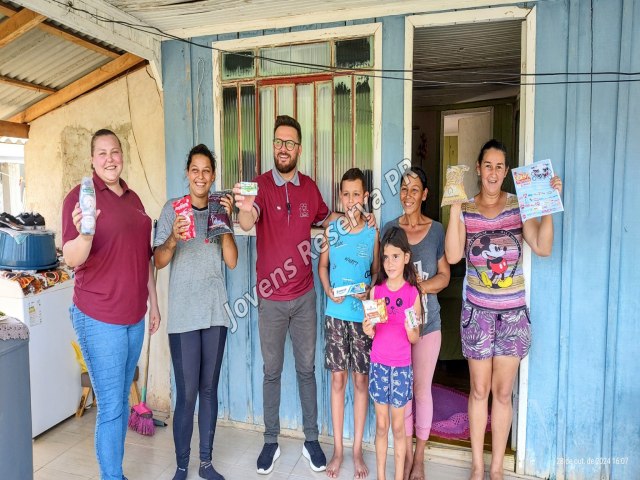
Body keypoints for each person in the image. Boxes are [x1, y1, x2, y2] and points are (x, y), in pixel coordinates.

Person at [444, 139, 562, 480]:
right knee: (479, 391)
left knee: (503, 393)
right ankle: (478, 467)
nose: (493, 172)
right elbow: (453, 256)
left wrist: (550, 205)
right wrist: (454, 207)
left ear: (505, 172)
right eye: (488, 165)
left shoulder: (519, 205)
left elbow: (541, 246)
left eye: (499, 166)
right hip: (478, 315)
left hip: (512, 316)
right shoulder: (466, 208)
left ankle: (497, 469)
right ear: (478, 169)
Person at [233, 115, 337, 474]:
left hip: (305, 296)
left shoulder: (309, 188)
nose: (283, 148)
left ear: (299, 149)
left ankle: (311, 440)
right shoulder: (260, 186)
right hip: (271, 301)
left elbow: (327, 218)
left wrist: (359, 216)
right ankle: (270, 441)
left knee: (307, 370)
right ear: (273, 145)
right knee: (272, 372)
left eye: (290, 143)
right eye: (278, 142)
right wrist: (245, 208)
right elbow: (248, 222)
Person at [62, 129, 161, 480]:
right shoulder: (81, 197)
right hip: (99, 316)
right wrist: (85, 233)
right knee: (111, 407)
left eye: (115, 152)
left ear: (122, 155)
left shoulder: (133, 198)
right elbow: (72, 258)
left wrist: (154, 301)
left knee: (121, 399)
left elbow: (143, 256)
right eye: (101, 153)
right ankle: (112, 476)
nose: (109, 159)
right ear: (91, 159)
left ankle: (114, 473)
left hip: (134, 317)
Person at [153, 144, 238, 480]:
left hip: (215, 313)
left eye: (207, 171)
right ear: (187, 173)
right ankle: (181, 465)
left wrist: (227, 222)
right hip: (184, 317)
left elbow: (231, 261)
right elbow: (158, 261)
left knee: (208, 390)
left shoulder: (219, 210)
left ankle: (205, 463)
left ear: (213, 176)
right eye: (195, 170)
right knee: (187, 394)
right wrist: (173, 239)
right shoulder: (173, 210)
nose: (201, 176)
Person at [381, 166, 450, 480]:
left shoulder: (436, 230)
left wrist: (416, 290)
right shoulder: (389, 228)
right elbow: (380, 277)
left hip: (427, 323)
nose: (407, 195)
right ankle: (404, 455)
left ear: (425, 194)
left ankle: (418, 456)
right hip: (392, 330)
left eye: (414, 189)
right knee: (402, 393)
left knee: (421, 390)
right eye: (403, 188)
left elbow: (444, 277)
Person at [318, 167, 379, 479]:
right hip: (335, 316)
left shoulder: (372, 232)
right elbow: (323, 267)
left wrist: (370, 290)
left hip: (362, 320)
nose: (352, 200)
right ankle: (339, 449)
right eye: (346, 194)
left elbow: (379, 275)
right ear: (340, 197)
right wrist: (328, 289)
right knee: (338, 381)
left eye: (358, 194)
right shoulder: (332, 231)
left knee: (360, 382)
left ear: (365, 196)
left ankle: (356, 449)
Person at [363, 227, 421, 480]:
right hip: (379, 365)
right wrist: (368, 328)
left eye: (395, 256)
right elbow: (372, 332)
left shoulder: (412, 294)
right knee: (381, 425)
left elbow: (415, 337)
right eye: (385, 257)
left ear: (406, 257)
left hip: (400, 367)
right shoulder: (376, 292)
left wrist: (411, 329)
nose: (389, 263)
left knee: (398, 428)